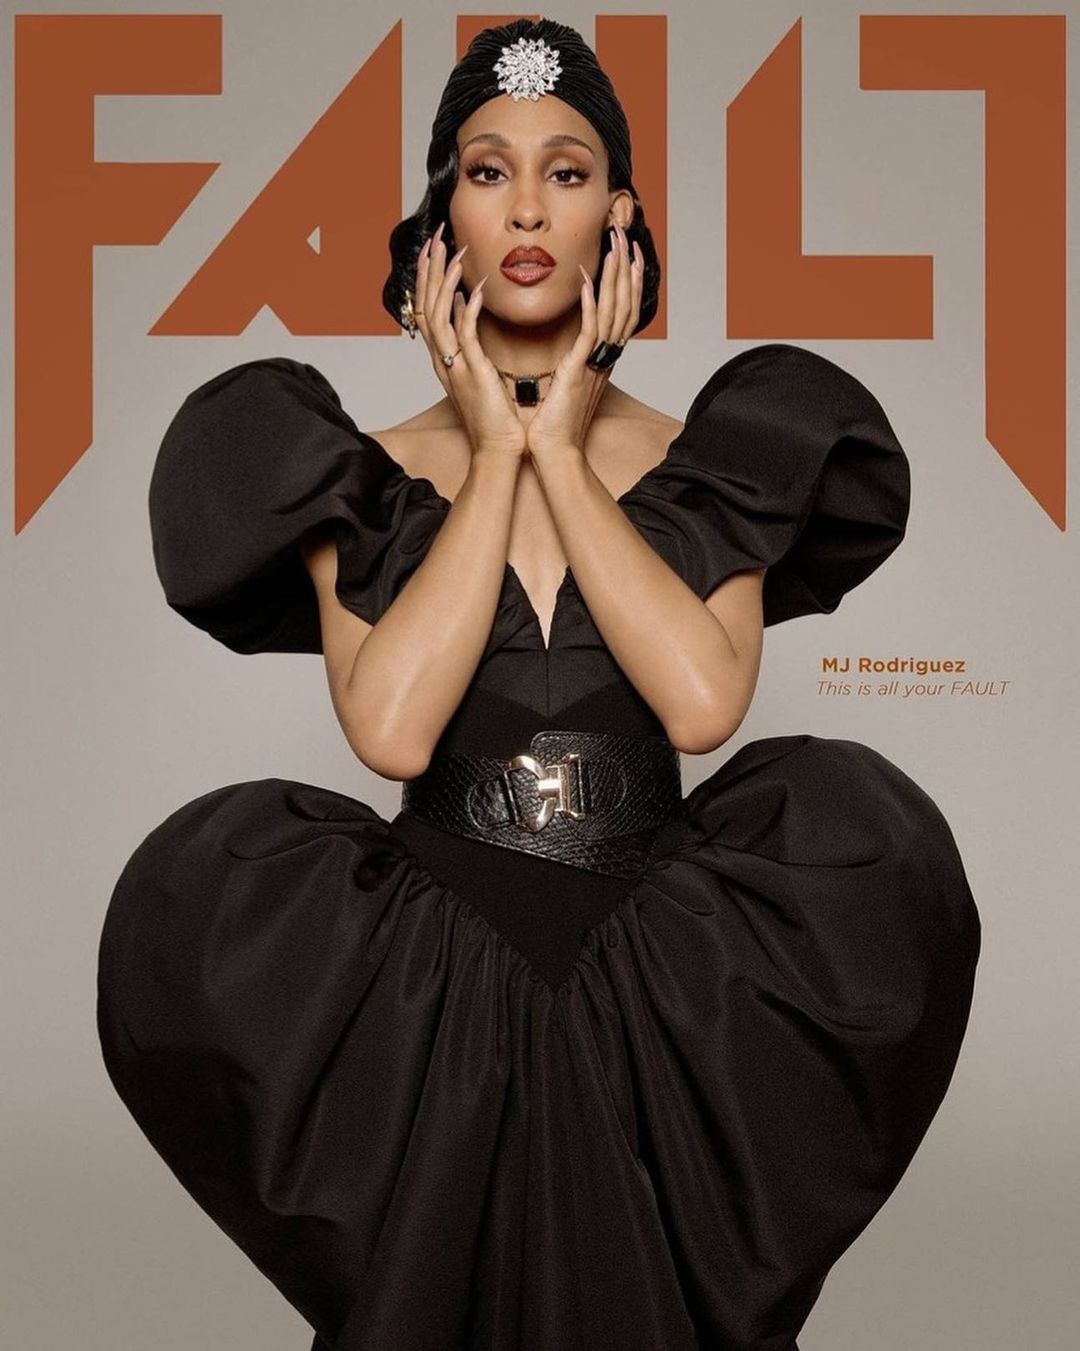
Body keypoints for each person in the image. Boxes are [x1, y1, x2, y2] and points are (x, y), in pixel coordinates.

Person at [96, 18, 981, 1351]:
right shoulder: (352, 471)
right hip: (436, 975)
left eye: (566, 172)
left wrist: (562, 450)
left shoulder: (720, 453)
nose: (525, 208)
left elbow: (701, 708)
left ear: (616, 214)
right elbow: (393, 732)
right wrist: (497, 452)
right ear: (442, 215)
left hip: (659, 973)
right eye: (486, 170)